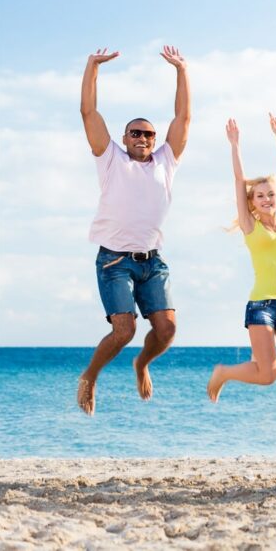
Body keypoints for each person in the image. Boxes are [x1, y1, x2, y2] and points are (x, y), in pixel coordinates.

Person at [77, 46, 191, 415]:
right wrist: (92, 67)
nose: (142, 138)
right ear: (124, 138)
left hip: (152, 262)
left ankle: (141, 364)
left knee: (168, 331)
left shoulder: (166, 161)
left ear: (154, 140)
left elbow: (184, 117)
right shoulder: (110, 159)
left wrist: (181, 70)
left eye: (148, 134)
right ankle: (90, 377)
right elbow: (89, 112)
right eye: (134, 133)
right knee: (123, 330)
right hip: (115, 262)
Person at [207, 114, 276, 401]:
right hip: (260, 306)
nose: (267, 199)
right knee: (267, 376)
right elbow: (240, 181)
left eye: (271, 195)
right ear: (253, 202)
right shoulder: (251, 226)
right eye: (260, 196)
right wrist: (235, 146)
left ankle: (264, 360)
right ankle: (224, 373)